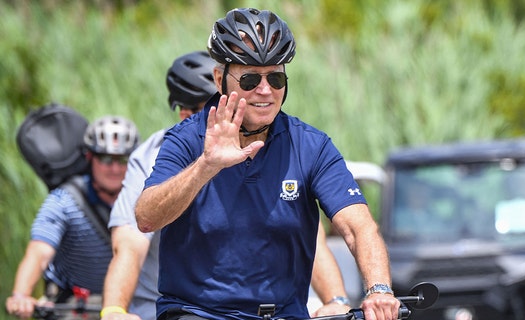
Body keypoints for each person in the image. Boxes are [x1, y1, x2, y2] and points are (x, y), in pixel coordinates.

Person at [134, 8, 399, 320]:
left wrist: (378, 290)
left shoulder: (310, 146)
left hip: (283, 314)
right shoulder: (187, 139)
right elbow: (146, 218)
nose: (265, 90)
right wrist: (206, 165)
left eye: (275, 77)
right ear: (220, 79)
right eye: (249, 79)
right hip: (199, 313)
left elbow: (358, 227)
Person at [101, 51, 352, 320]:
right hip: (171, 309)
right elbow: (129, 244)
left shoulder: (270, 144)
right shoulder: (158, 153)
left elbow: (308, 239)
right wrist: (115, 310)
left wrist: (336, 299)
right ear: (186, 114)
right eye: (216, 107)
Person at [5, 115, 139, 319]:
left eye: (122, 160)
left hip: (129, 305)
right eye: (105, 159)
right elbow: (39, 252)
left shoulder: (144, 200)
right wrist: (21, 295)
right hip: (74, 306)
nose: (114, 168)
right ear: (89, 157)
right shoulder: (65, 201)